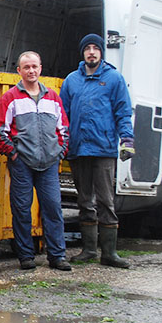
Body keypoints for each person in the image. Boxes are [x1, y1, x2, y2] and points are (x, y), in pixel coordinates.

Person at [0, 51, 72, 271]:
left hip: (49, 165)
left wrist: (60, 152)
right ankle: (25, 256)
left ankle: (57, 256)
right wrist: (14, 155)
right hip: (22, 164)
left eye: (34, 66)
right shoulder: (10, 98)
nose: (31, 71)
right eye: (26, 67)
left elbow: (63, 128)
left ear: (40, 68)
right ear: (19, 71)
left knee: (53, 209)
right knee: (22, 210)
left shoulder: (53, 97)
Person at [60, 34, 135, 269]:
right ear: (82, 53)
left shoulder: (114, 79)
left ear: (102, 53)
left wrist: (127, 139)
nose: (91, 52)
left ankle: (109, 253)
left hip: (103, 149)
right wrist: (62, 142)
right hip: (79, 149)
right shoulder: (72, 81)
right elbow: (63, 115)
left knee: (105, 200)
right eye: (87, 49)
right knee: (84, 200)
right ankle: (89, 250)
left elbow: (123, 111)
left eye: (96, 48)